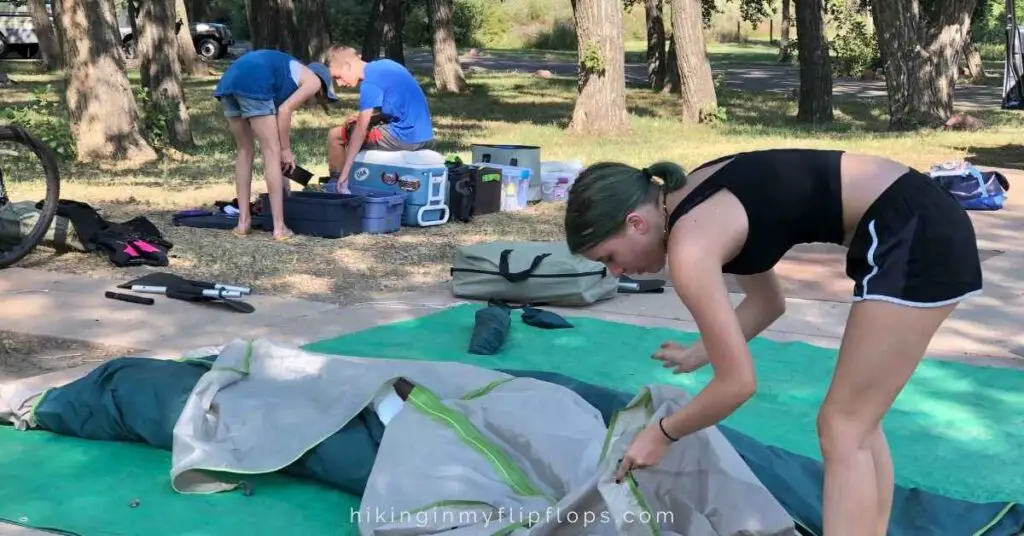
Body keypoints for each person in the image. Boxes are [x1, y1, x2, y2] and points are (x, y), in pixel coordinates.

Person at [563, 149, 983, 536]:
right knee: (858, 423)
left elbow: (738, 385)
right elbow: (767, 302)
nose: (616, 273)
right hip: (918, 217)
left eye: (609, 258)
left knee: (843, 427)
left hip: (914, 232)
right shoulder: (692, 195)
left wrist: (663, 433)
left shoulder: (690, 246)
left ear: (635, 223)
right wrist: (701, 351)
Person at [214, 49, 338, 240]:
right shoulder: (313, 80)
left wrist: (286, 171)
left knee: (245, 150)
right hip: (255, 82)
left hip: (230, 79)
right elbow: (285, 110)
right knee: (271, 152)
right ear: (322, 87)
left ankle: (243, 223)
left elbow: (278, 116)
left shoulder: (286, 76)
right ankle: (279, 228)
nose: (311, 102)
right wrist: (285, 150)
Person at [325, 46, 434, 193]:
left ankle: (338, 184)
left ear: (348, 65)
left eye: (338, 77)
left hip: (405, 137)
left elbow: (361, 131)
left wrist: (344, 173)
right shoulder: (387, 65)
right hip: (424, 133)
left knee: (337, 135)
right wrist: (366, 119)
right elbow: (399, 104)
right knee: (354, 125)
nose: (340, 84)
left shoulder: (369, 84)